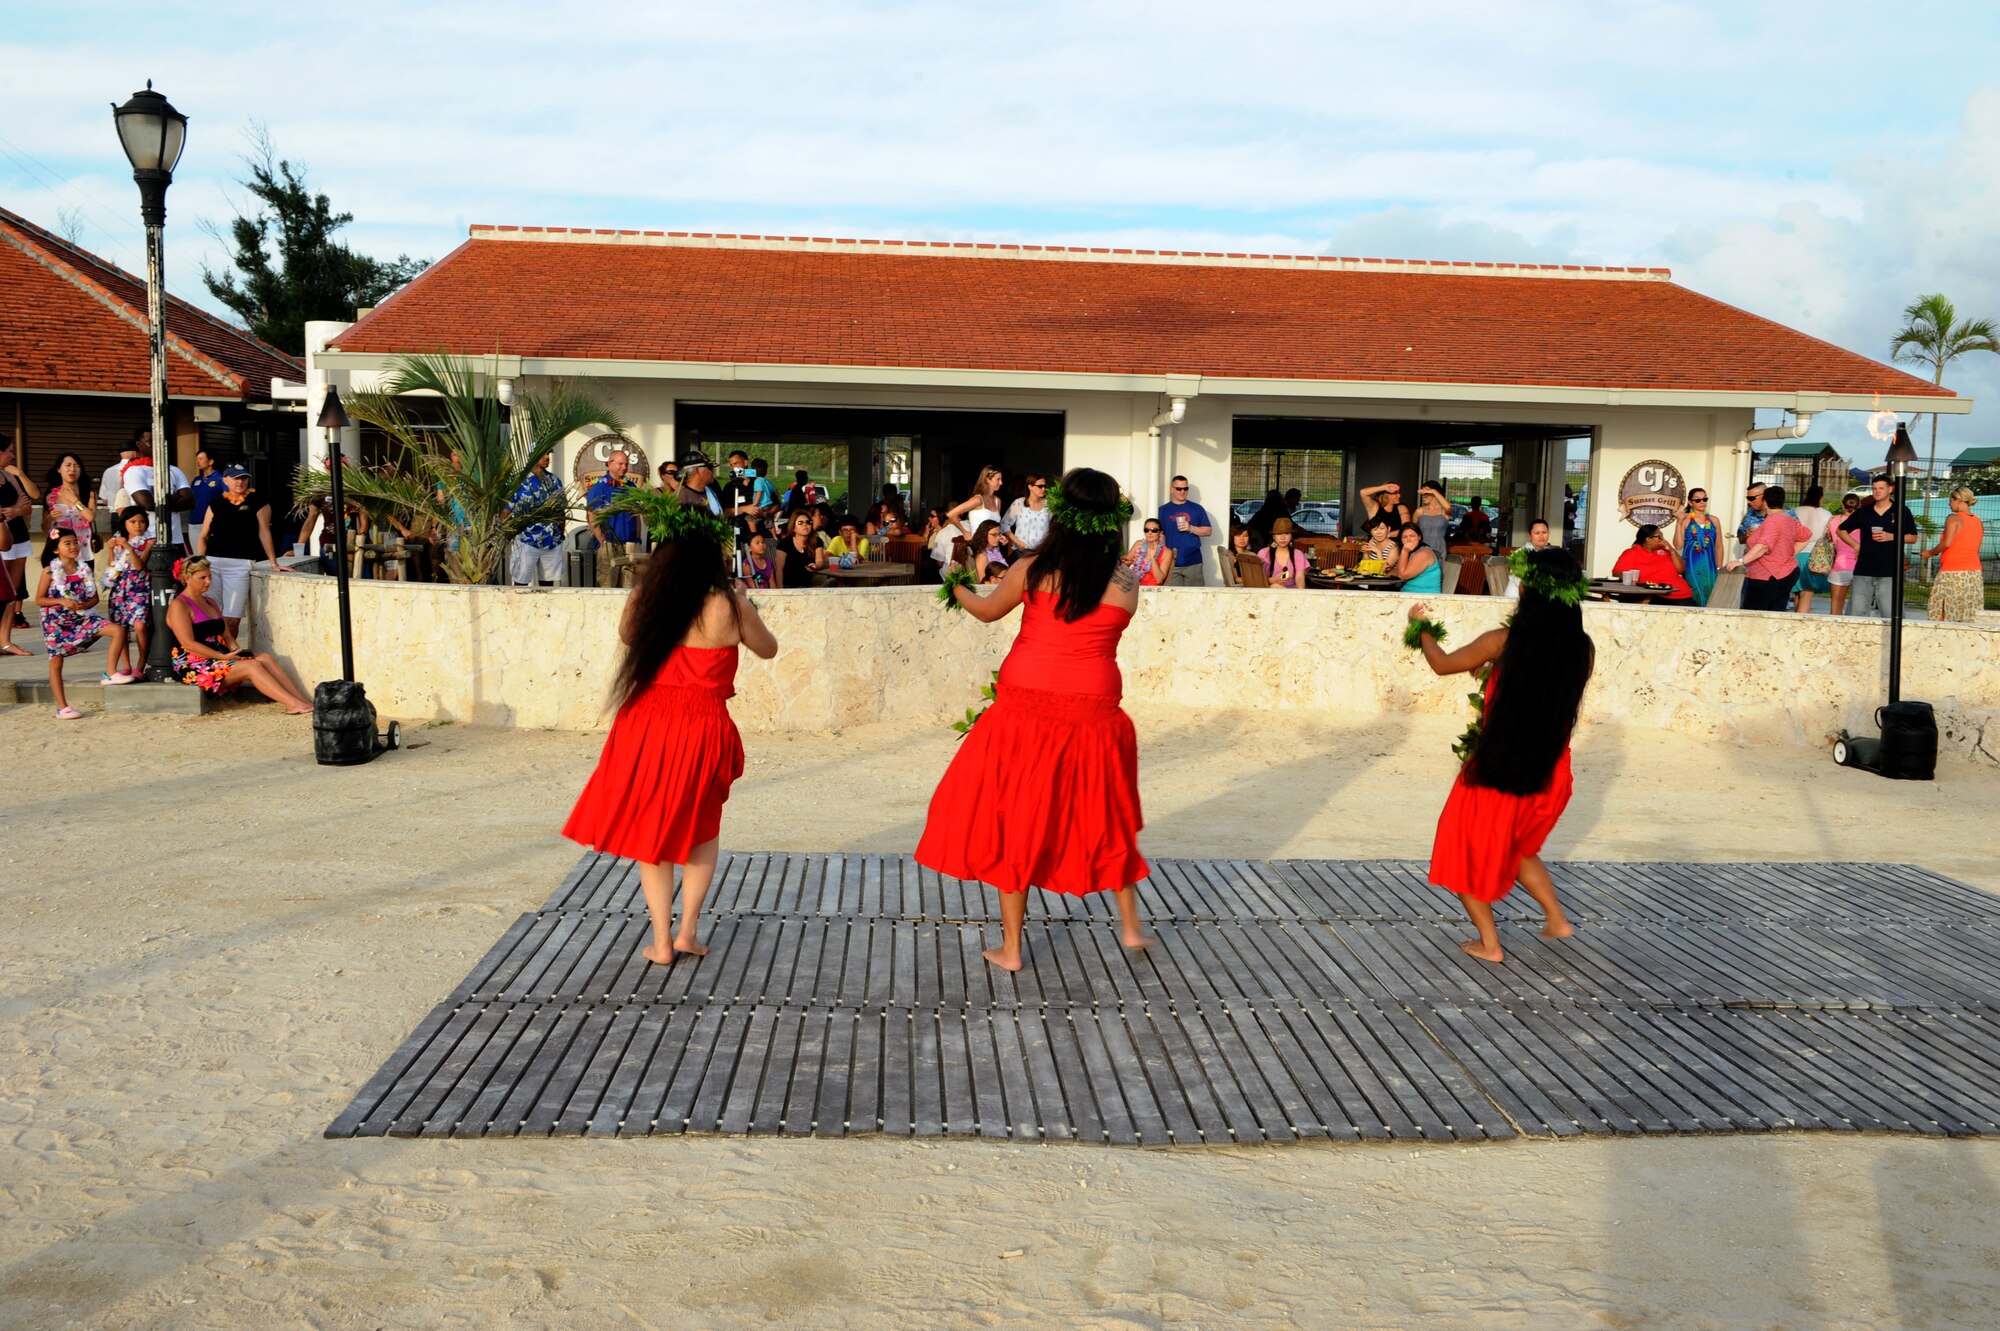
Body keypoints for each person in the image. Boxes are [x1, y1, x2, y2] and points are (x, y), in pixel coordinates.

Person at [915, 467, 1154, 971]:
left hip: (1028, 701)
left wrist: (955, 584)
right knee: (1104, 809)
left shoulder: (1034, 568)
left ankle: (1013, 948)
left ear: (1062, 513)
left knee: (1016, 815)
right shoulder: (1127, 580)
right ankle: (1130, 926)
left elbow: (985, 611)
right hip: (1094, 702)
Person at [562, 505, 778, 965]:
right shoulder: (731, 606)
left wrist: (649, 595)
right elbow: (768, 649)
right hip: (702, 724)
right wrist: (745, 603)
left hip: (646, 721)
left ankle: (660, 942)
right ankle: (688, 933)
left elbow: (626, 636)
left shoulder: (647, 599)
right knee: (701, 829)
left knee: (652, 829)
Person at [1407, 547, 1591, 963]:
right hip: (1550, 773)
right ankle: (1556, 920)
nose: (1520, 584)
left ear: (1534, 590)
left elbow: (1442, 664)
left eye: (1524, 578)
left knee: (1461, 850)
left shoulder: (1503, 641)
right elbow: (1540, 685)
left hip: (1500, 771)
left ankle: (1490, 944)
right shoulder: (1582, 648)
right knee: (1520, 849)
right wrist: (1494, 672)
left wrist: (1420, 628)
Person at [165, 556, 315, 712]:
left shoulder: (210, 602)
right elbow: (188, 643)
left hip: (218, 658)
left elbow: (227, 635)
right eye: (202, 578)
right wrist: (222, 657)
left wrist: (238, 652)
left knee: (264, 658)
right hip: (195, 665)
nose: (208, 582)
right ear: (186, 578)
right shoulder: (179, 605)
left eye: (210, 576)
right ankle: (292, 704)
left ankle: (302, 700)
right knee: (252, 666)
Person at [188, 464, 287, 638]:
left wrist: (273, 562)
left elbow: (264, 532)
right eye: (235, 478)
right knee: (212, 613)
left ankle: (230, 653)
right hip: (212, 563)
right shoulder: (216, 503)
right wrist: (200, 564)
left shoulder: (259, 502)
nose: (240, 482)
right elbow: (203, 535)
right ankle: (216, 654)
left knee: (232, 618)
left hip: (240, 564)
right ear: (225, 480)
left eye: (243, 478)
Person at [37, 529, 126, 714]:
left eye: (75, 542)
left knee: (117, 630)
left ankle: (110, 672)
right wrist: (60, 600)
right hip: (55, 622)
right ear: (56, 550)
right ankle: (63, 707)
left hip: (81, 617)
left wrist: (84, 604)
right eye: (67, 543)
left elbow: (93, 598)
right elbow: (39, 599)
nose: (73, 546)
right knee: (56, 662)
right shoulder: (49, 571)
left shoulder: (84, 569)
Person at [1842, 474, 1918, 618]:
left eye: (1881, 488)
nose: (1877, 491)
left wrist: (1891, 536)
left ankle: (1893, 639)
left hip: (1890, 569)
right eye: (1874, 488)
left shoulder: (1901, 510)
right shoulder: (1864, 511)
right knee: (1857, 612)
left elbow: (1913, 538)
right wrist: (1855, 545)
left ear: (1890, 489)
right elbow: (1841, 529)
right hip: (1864, 567)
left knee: (1891, 613)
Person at [1726, 484, 1809, 612]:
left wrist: (1741, 561)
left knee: (1754, 616)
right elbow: (1805, 536)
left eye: (1752, 498)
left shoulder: (1773, 521)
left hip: (1767, 576)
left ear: (1764, 501)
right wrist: (1787, 554)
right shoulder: (1788, 518)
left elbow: (1764, 546)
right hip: (1784, 573)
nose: (1749, 501)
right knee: (1775, 614)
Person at [102, 507, 154, 679]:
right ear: (124, 524)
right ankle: (126, 665)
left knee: (140, 625)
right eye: (132, 522)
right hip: (120, 588)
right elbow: (112, 564)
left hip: (138, 588)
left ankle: (140, 664)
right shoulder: (119, 540)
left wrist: (129, 548)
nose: (138, 525)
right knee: (121, 628)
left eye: (141, 521)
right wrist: (110, 549)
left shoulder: (148, 542)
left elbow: (139, 566)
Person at [1921, 487, 1985, 623]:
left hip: (1952, 572)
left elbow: (1947, 543)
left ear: (1958, 500)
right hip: (1973, 572)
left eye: (1951, 500)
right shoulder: (1977, 521)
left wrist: (1930, 553)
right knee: (1967, 611)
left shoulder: (1953, 518)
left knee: (1940, 608)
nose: (1949, 504)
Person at [1, 431, 39, 654]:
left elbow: (26, 505)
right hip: (1, 539)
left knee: (11, 594)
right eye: (10, 452)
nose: (12, 456)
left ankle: (5, 641)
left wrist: (13, 511)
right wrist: (14, 510)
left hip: (19, 537)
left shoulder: (9, 476)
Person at [586, 449, 645, 588]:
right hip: (609, 544)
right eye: (620, 464)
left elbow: (636, 514)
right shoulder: (599, 486)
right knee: (608, 586)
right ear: (609, 463)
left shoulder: (630, 486)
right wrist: (602, 541)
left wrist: (637, 539)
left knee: (631, 587)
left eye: (626, 464)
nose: (624, 467)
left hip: (630, 544)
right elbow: (592, 516)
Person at [507, 453, 566, 587]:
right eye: (542, 454)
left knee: (548, 585)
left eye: (548, 454)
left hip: (551, 541)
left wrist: (560, 533)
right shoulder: (518, 481)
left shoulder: (554, 480)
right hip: (525, 540)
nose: (547, 457)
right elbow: (506, 510)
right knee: (520, 583)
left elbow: (561, 511)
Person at [125, 441, 193, 551]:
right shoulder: (134, 471)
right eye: (148, 441)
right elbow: (147, 504)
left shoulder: (174, 470)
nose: (154, 444)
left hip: (175, 538)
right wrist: (175, 496)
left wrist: (159, 503)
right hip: (147, 539)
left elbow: (190, 501)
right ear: (139, 444)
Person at [1610, 524, 1693, 602]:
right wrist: (1631, 576)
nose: (1662, 539)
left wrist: (1671, 550)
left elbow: (1681, 570)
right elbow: (1616, 572)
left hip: (1682, 594)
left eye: (1662, 535)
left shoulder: (1666, 551)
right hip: (1655, 595)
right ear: (1648, 539)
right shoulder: (1631, 553)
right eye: (1659, 536)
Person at [1157, 474, 1213, 586]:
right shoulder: (1163, 510)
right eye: (1179, 488)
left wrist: (1190, 528)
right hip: (1171, 562)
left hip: (1193, 561)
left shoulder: (1197, 508)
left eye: (1185, 488)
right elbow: (1159, 535)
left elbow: (1208, 531)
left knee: (1196, 597)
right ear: (1172, 489)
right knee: (1173, 598)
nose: (1182, 491)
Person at [41, 453, 96, 562]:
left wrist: (75, 501)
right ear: (59, 469)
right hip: (58, 552)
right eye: (68, 465)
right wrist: (50, 518)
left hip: (83, 550)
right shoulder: (50, 497)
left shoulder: (89, 494)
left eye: (76, 466)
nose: (72, 469)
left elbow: (90, 517)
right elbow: (44, 528)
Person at [1673, 488, 1723, 605]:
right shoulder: (1685, 521)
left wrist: (1719, 568)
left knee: (1711, 598)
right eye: (1698, 500)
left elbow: (1719, 546)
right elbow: (1678, 545)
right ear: (1690, 502)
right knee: (1695, 595)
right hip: (1691, 566)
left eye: (1705, 499)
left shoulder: (1714, 520)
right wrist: (1678, 523)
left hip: (1710, 567)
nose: (1702, 502)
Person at [1792, 484, 1834, 613]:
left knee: (1798, 594)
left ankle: (1794, 620)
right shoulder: (1826, 514)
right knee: (1807, 593)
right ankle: (1800, 625)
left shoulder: (1796, 511)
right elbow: (1829, 535)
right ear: (1821, 498)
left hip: (1795, 554)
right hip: (1814, 556)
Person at [96, 430, 144, 542]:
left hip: (116, 515)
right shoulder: (140, 469)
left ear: (120, 454)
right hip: (137, 517)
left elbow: (104, 500)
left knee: (119, 546)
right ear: (135, 453)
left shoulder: (108, 471)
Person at [1826, 492, 1863, 616]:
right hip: (1860, 567)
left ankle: (1836, 632)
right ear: (1860, 505)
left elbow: (1831, 539)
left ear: (1842, 505)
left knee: (1836, 605)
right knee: (1858, 606)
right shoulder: (1863, 522)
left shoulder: (1835, 520)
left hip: (1840, 566)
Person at [1500, 518, 1554, 601]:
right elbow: (1521, 582)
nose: (1541, 536)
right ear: (1529, 535)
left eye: (1544, 532)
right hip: (1517, 600)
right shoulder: (1520, 554)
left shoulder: (1550, 553)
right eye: (1537, 533)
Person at [721, 450, 770, 537]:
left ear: (745, 462)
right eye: (731, 465)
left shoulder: (759, 482)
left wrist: (763, 513)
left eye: (736, 464)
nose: (734, 468)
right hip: (739, 534)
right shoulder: (730, 487)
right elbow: (724, 511)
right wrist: (744, 509)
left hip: (761, 534)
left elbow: (776, 506)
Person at [1002, 474, 1052, 553]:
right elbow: (1004, 524)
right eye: (1040, 486)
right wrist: (1017, 542)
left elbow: (1054, 527)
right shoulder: (1019, 503)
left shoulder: (1049, 504)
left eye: (1045, 486)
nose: (1043, 489)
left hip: (1042, 552)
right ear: (1030, 487)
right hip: (1022, 551)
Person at [775, 509, 824, 587]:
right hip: (788, 586)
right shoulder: (785, 543)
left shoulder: (817, 541)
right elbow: (779, 569)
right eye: (800, 523)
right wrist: (781, 590)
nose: (805, 525)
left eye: (808, 522)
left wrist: (815, 566)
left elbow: (820, 561)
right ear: (793, 527)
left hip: (807, 586)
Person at [1259, 517, 1309, 589]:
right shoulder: (1264, 553)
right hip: (1270, 594)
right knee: (1275, 586)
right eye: (1279, 533)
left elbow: (1300, 577)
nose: (1283, 537)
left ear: (1291, 536)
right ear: (1274, 536)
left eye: (1287, 533)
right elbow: (1257, 579)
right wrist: (1273, 580)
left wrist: (1300, 594)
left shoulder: (1298, 554)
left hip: (1292, 595)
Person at [1394, 521, 1441, 592]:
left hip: (1423, 597)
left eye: (1412, 536)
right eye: (1404, 537)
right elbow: (1398, 571)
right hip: (1410, 595)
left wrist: (1405, 551)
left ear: (1419, 537)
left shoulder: (1424, 553)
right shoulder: (1412, 552)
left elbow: (1402, 575)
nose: (1408, 540)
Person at [188, 449, 224, 533]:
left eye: (201, 459)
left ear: (210, 461)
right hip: (194, 522)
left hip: (212, 522)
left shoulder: (220, 479)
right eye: (197, 459)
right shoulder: (196, 480)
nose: (198, 462)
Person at [676, 451, 723, 516]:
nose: (713, 471)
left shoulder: (712, 491)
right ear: (696, 470)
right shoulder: (681, 498)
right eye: (710, 467)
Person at [1129, 517, 1172, 586]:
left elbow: (1159, 579)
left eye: (1154, 530)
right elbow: (1126, 562)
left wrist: (1152, 558)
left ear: (1160, 533)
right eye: (1146, 530)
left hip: (1152, 590)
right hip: (1134, 586)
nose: (1150, 533)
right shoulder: (1138, 544)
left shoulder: (1167, 552)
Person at [1413, 481, 1452, 559]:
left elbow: (1448, 507)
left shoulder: (1444, 511)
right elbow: (1412, 531)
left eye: (1426, 492)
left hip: (1439, 548)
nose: (1423, 496)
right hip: (1421, 548)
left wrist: (1433, 491)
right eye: (1423, 493)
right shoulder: (1419, 511)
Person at [1226, 523, 1268, 587]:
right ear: (1232, 537)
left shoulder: (1252, 555)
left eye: (1245, 536)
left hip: (1255, 585)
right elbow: (1235, 579)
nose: (1242, 539)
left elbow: (1259, 575)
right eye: (1238, 535)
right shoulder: (1229, 554)